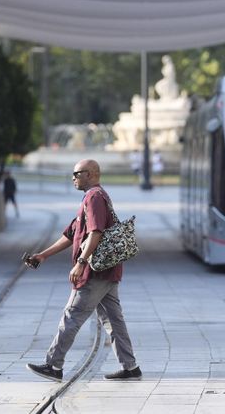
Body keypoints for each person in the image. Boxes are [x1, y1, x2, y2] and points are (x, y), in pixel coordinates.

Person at [26, 159, 141, 382]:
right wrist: (43, 255)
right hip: (108, 272)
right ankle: (130, 367)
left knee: (72, 316)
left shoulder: (95, 197)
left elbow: (96, 233)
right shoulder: (90, 199)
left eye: (76, 173)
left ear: (89, 174)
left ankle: (53, 365)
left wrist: (80, 262)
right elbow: (71, 234)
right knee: (114, 321)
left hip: (94, 273)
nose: (73, 178)